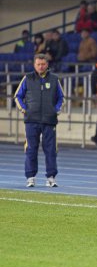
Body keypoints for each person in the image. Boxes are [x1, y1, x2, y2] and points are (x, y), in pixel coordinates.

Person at [14, 53, 65, 188]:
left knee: (51, 150)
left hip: (49, 120)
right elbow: (17, 96)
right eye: (38, 64)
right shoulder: (27, 78)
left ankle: (51, 177)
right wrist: (25, 110)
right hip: (31, 120)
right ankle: (30, 177)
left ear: (47, 64)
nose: (41, 67)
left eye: (43, 64)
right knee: (31, 149)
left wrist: (56, 109)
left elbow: (61, 97)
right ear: (34, 65)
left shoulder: (54, 79)